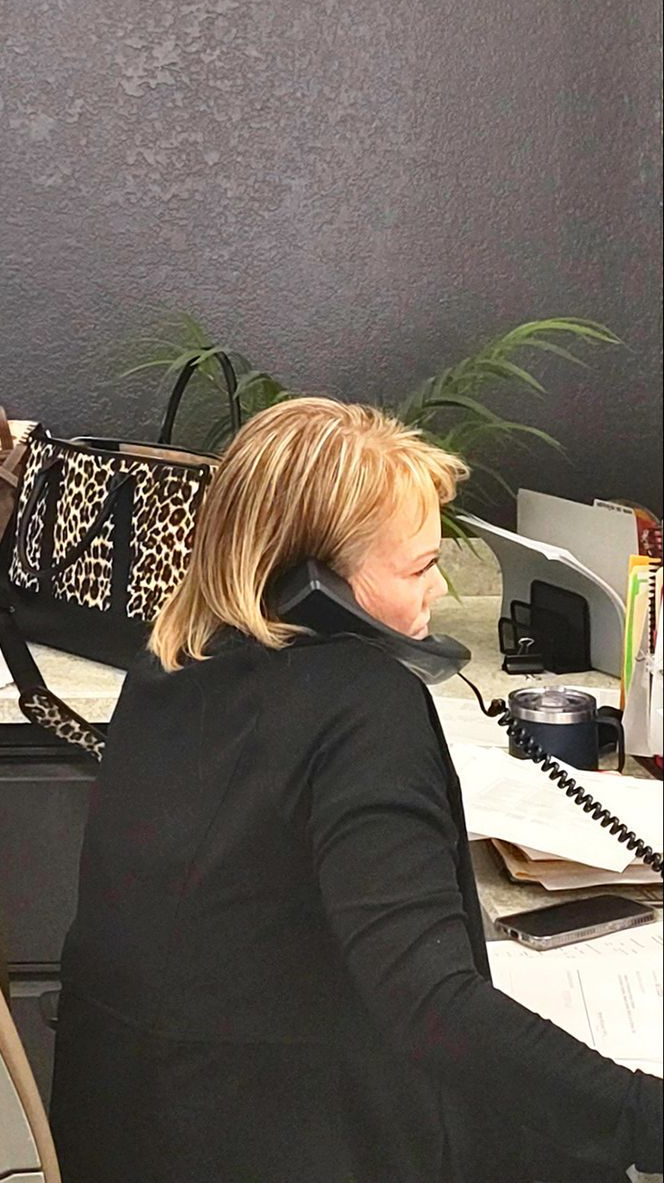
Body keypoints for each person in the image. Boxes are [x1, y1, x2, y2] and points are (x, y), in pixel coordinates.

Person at [49, 397, 664, 1183]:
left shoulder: (167, 667)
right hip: (279, 1137)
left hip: (137, 1129)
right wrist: (645, 1119)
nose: (437, 590)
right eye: (417, 566)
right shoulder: (361, 705)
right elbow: (431, 1005)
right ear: (312, 584)